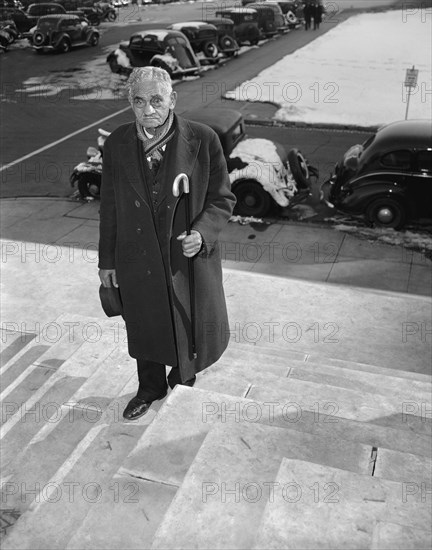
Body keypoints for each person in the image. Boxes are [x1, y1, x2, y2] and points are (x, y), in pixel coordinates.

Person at [98, 67, 236, 421]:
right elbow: (110, 206)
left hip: (184, 257)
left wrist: (202, 233)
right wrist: (107, 262)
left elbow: (222, 199)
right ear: (130, 103)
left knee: (184, 321)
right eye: (139, 101)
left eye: (156, 100)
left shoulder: (204, 139)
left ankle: (182, 379)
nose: (148, 110)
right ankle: (150, 387)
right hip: (136, 254)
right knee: (144, 319)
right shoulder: (116, 143)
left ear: (172, 99)